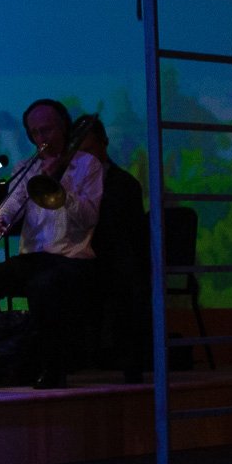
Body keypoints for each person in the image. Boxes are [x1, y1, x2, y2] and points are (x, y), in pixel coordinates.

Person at [0, 98, 105, 388]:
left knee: (43, 286)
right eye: (34, 132)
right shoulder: (27, 167)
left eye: (47, 130)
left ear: (63, 127)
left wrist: (61, 186)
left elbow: (89, 218)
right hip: (34, 258)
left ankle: (51, 368)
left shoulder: (88, 164)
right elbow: (12, 204)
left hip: (73, 260)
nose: (41, 138)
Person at [70, 114, 152, 382]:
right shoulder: (69, 180)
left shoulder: (124, 183)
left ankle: (129, 357)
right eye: (79, 152)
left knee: (130, 279)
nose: (85, 158)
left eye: (89, 150)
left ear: (104, 143)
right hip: (75, 256)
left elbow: (133, 235)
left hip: (109, 258)